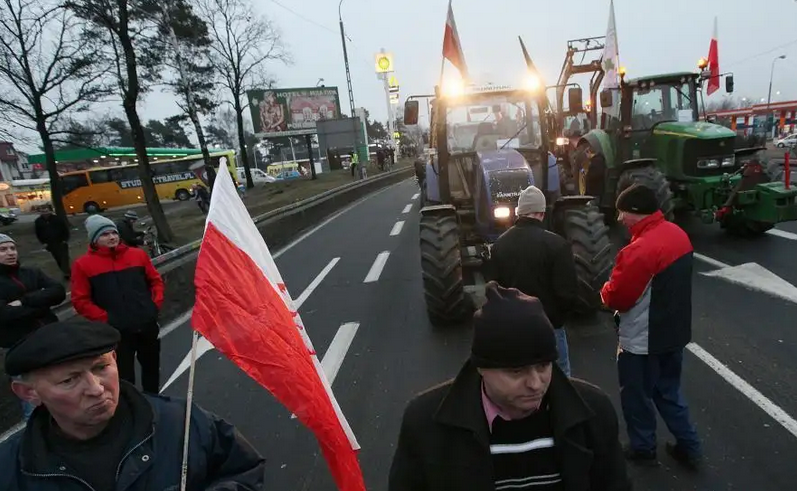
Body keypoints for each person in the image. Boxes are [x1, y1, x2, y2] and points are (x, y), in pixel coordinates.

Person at [389, 282, 631, 491]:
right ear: (481, 367)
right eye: (516, 371)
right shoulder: (425, 423)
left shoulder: (594, 412)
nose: (535, 384)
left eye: (544, 366)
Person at [0, 319, 265, 490]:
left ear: (115, 359)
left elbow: (245, 472)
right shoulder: (11, 467)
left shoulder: (184, 424)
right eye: (69, 380)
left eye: (102, 367)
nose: (95, 388)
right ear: (28, 393)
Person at [600, 183, 703, 470]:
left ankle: (643, 447)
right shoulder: (678, 235)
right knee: (669, 392)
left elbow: (618, 296)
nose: (620, 219)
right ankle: (689, 445)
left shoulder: (639, 250)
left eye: (623, 214)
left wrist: (604, 290)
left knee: (637, 396)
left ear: (636, 213)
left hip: (642, 341)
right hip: (674, 334)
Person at [488, 185, 578, 376]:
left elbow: (494, 288)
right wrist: (557, 319)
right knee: (559, 379)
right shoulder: (557, 245)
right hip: (549, 326)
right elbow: (568, 294)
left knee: (520, 381)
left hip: (514, 328)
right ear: (542, 212)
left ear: (519, 212)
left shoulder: (499, 245)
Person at [71, 215, 165, 394]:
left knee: (151, 369)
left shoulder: (137, 255)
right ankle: (130, 409)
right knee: (123, 375)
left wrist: (154, 306)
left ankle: (154, 401)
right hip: (116, 332)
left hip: (146, 324)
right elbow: (80, 300)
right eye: (105, 234)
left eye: (114, 232)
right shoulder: (83, 265)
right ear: (94, 239)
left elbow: (155, 281)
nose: (112, 237)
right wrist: (107, 319)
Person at [0, 233, 66, 420]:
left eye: (12, 248)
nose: (10, 253)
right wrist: (41, 305)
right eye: (3, 249)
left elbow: (58, 292)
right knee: (33, 401)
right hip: (20, 347)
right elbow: (5, 315)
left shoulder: (32, 273)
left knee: (62, 390)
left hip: (49, 339)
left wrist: (24, 301)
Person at [34, 204, 71, 280]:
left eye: (46, 211)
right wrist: (43, 243)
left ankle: (67, 273)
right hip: (50, 244)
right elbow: (38, 233)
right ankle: (65, 271)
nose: (45, 213)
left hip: (61, 241)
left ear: (50, 210)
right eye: (43, 211)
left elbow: (65, 229)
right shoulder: (38, 221)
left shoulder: (57, 219)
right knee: (58, 258)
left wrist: (65, 239)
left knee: (64, 257)